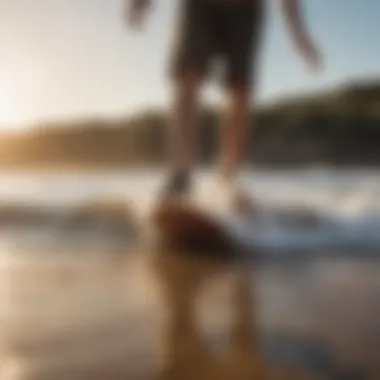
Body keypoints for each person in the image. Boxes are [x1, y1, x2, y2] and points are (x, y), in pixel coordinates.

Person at [126, 0, 323, 209]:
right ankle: (181, 175)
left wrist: (300, 36)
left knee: (240, 89)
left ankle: (228, 180)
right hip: (199, 6)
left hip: (246, 10)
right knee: (187, 76)